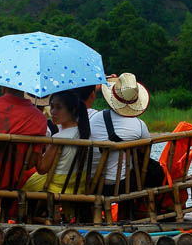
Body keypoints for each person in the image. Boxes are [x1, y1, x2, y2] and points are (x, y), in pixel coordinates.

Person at [89, 73, 164, 218]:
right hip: (124, 186)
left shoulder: (94, 119)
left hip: (94, 184)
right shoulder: (139, 125)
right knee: (137, 169)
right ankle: (126, 216)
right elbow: (146, 151)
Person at [22, 89, 92, 194]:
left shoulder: (59, 139)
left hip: (55, 187)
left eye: (58, 108)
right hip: (77, 187)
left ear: (72, 110)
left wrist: (38, 144)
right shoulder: (85, 133)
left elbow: (42, 169)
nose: (52, 112)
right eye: (52, 106)